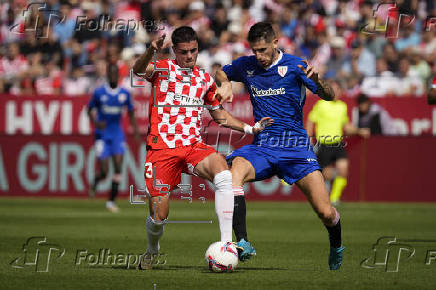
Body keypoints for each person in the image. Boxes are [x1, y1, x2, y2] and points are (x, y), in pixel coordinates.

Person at [132, 26, 272, 270]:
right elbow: (138, 70)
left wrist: (250, 129)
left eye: (194, 51)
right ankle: (152, 251)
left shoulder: (204, 79)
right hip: (162, 149)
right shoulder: (163, 69)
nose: (189, 56)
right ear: (174, 50)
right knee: (159, 215)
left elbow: (219, 116)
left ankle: (227, 244)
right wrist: (150, 51)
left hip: (192, 146)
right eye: (184, 52)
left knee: (223, 171)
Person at [215, 22, 344, 270]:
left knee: (325, 212)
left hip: (295, 147)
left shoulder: (296, 66)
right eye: (254, 50)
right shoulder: (246, 65)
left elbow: (330, 96)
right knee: (233, 174)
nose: (258, 56)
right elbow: (221, 72)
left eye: (263, 49)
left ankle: (336, 245)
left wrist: (319, 82)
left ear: (276, 43)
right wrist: (226, 83)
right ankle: (242, 242)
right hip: (263, 145)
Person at [307, 81, 370, 207]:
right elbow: (310, 121)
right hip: (324, 143)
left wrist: (359, 130)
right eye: (332, 90)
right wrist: (308, 138)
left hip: (338, 143)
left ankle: (335, 198)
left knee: (343, 169)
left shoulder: (342, 106)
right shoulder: (321, 104)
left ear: (341, 92)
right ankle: (323, 195)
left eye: (337, 90)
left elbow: (346, 126)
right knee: (327, 175)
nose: (335, 93)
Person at [87, 64, 140, 213]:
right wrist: (96, 122)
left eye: (115, 74)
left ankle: (111, 201)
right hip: (102, 136)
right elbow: (89, 109)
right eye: (110, 74)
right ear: (107, 75)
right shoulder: (99, 93)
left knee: (118, 167)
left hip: (117, 134)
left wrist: (135, 131)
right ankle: (96, 180)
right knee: (104, 170)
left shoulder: (124, 93)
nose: (113, 76)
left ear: (119, 75)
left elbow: (130, 112)